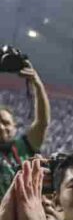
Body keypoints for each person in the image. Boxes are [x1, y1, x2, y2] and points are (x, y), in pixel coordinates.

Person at [0, 60, 50, 196]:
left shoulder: (23, 146)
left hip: (24, 214)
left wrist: (37, 84)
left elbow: (42, 122)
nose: (1, 127)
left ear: (15, 127)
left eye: (5, 122)